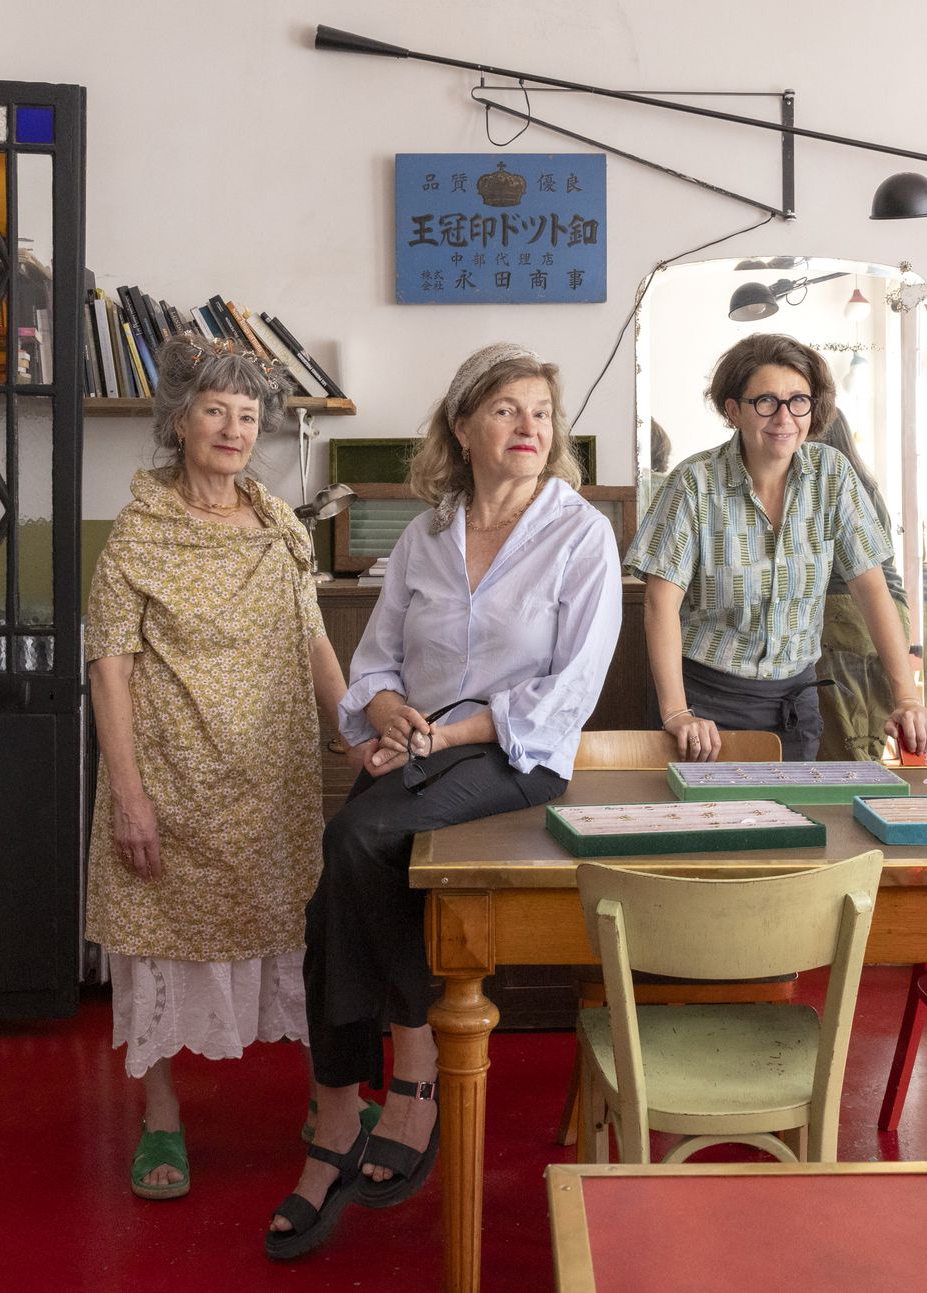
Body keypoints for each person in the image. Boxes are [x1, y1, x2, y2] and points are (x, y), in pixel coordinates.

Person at [269, 343, 622, 1259]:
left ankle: (385, 1078)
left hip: (514, 754)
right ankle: (356, 1096)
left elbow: (570, 688)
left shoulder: (580, 533)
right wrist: (385, 705)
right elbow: (380, 652)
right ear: (462, 428)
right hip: (418, 746)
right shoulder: (425, 534)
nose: (529, 427)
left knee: (356, 838)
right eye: (506, 410)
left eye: (541, 411)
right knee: (333, 889)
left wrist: (443, 733)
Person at [84, 333, 352, 1204]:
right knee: (153, 943)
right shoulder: (139, 533)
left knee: (299, 939)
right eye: (216, 411)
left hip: (270, 786)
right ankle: (161, 1116)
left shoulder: (277, 525)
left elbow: (311, 635)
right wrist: (129, 796)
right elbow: (110, 666)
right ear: (179, 421)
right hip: (168, 779)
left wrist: (349, 724)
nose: (234, 430)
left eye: (248, 415)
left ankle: (330, 1104)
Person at [627, 332, 927, 761]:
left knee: (794, 822)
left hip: (795, 701)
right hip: (705, 703)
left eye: (798, 401)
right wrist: (677, 712)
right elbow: (660, 603)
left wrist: (907, 698)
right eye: (766, 401)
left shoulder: (832, 474)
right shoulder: (694, 481)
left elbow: (872, 589)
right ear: (733, 410)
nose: (784, 417)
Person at [811, 409, 916, 761]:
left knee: (845, 740)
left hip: (846, 614)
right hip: (886, 614)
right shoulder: (864, 485)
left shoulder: (830, 485)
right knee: (862, 735)